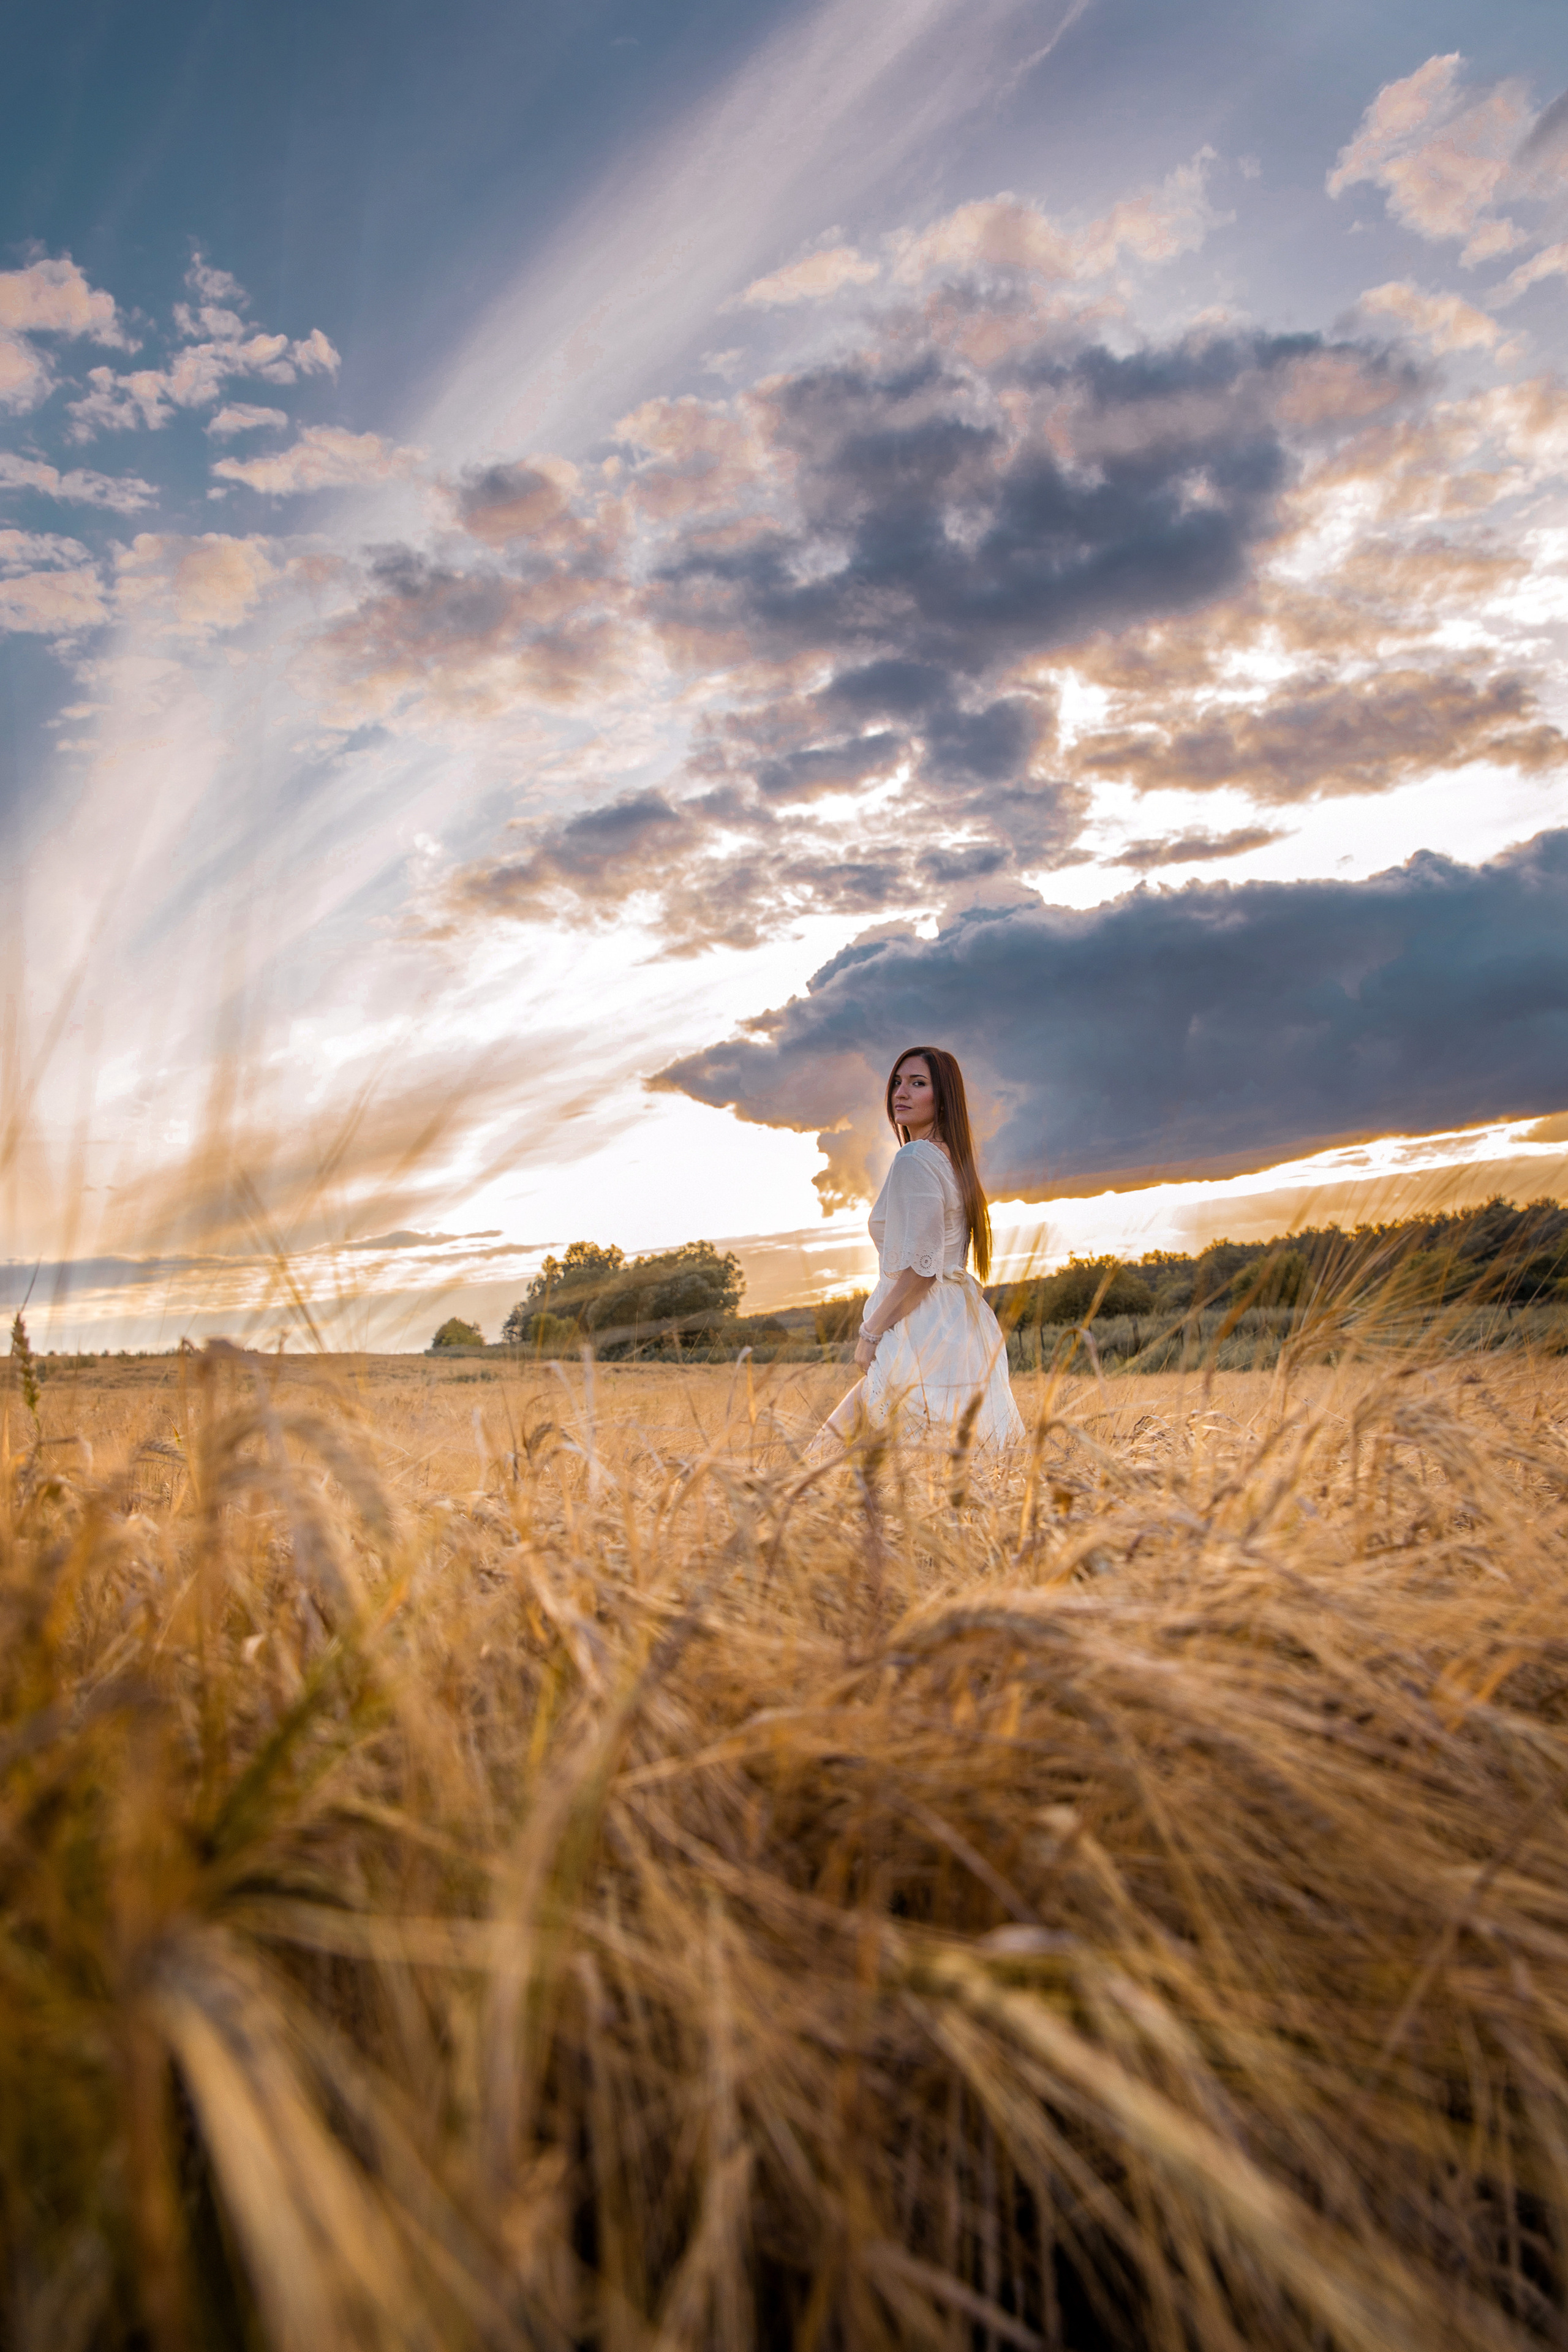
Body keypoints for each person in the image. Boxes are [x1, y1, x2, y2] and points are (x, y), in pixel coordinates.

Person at [813, 1046, 1024, 1455]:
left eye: (918, 1083)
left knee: (827, 1455)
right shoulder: (954, 1162)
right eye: (897, 1082)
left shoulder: (914, 1159)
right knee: (948, 1455)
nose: (901, 1092)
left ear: (942, 1097)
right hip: (957, 1323)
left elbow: (921, 1271)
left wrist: (870, 1333)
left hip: (919, 1323)